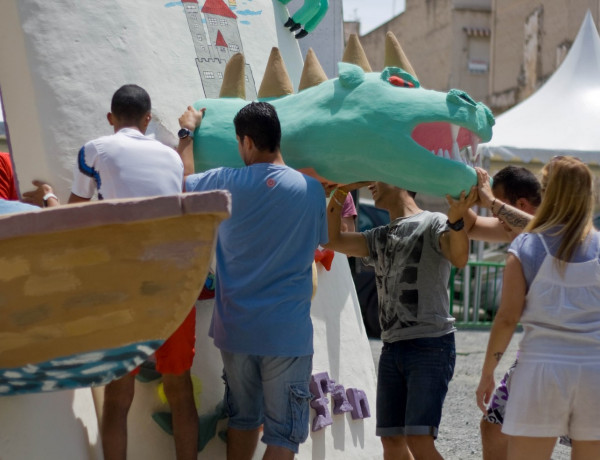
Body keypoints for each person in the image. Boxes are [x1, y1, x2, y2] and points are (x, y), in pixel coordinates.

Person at [178, 102, 327, 460]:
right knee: (283, 436)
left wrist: (187, 134)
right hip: (287, 334)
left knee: (243, 421)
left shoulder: (225, 182)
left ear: (246, 142)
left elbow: (180, 189)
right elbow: (320, 243)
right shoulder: (311, 191)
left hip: (237, 330)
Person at [69, 84, 198, 460]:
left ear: (111, 118)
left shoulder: (95, 150)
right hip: (175, 280)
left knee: (118, 395)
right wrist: (187, 135)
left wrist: (44, 197)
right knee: (180, 389)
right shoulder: (172, 157)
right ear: (147, 120)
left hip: (121, 284)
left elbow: (71, 214)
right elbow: (186, 187)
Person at [325, 181, 476, 460]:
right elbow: (332, 239)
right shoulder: (378, 236)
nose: (371, 184)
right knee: (392, 441)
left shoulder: (434, 221)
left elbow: (459, 257)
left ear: (400, 180)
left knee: (419, 440)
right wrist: (340, 191)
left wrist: (456, 221)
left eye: (378, 177)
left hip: (431, 345)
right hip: (392, 347)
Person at [476, 156, 600, 460]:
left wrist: (488, 373)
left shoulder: (527, 245)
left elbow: (506, 318)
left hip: (541, 369)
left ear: (547, 190)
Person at [465, 166, 542, 460]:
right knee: (496, 427)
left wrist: (490, 201)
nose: (496, 219)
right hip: (545, 357)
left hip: (558, 358)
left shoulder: (556, 230)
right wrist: (462, 195)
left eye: (496, 209)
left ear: (519, 205)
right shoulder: (518, 227)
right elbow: (472, 227)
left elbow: (538, 229)